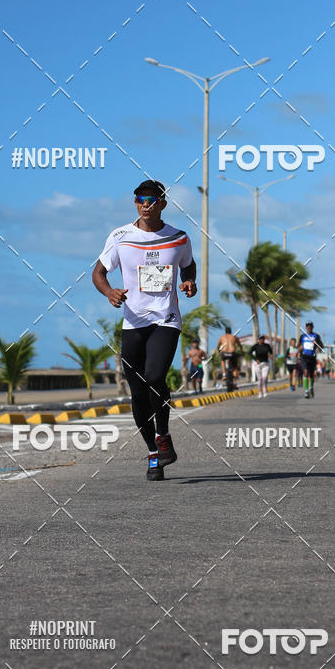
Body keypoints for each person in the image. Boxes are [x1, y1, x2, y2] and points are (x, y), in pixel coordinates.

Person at [92, 179, 197, 482]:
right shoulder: (121, 236)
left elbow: (188, 265)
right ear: (135, 202)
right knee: (138, 393)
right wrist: (110, 292)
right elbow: (98, 273)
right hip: (133, 322)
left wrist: (190, 282)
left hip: (166, 319)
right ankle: (154, 454)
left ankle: (162, 434)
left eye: (152, 200)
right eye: (140, 199)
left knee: (154, 378)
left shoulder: (179, 238)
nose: (146, 204)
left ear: (163, 203)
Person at [299, 321, 324, 398]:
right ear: (306, 327)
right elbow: (298, 346)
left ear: (312, 327)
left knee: (312, 374)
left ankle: (311, 387)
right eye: (307, 326)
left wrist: (316, 343)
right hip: (304, 357)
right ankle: (306, 391)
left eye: (310, 326)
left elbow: (322, 346)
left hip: (312, 357)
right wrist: (300, 348)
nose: (309, 328)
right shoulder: (303, 336)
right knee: (306, 372)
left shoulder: (316, 336)